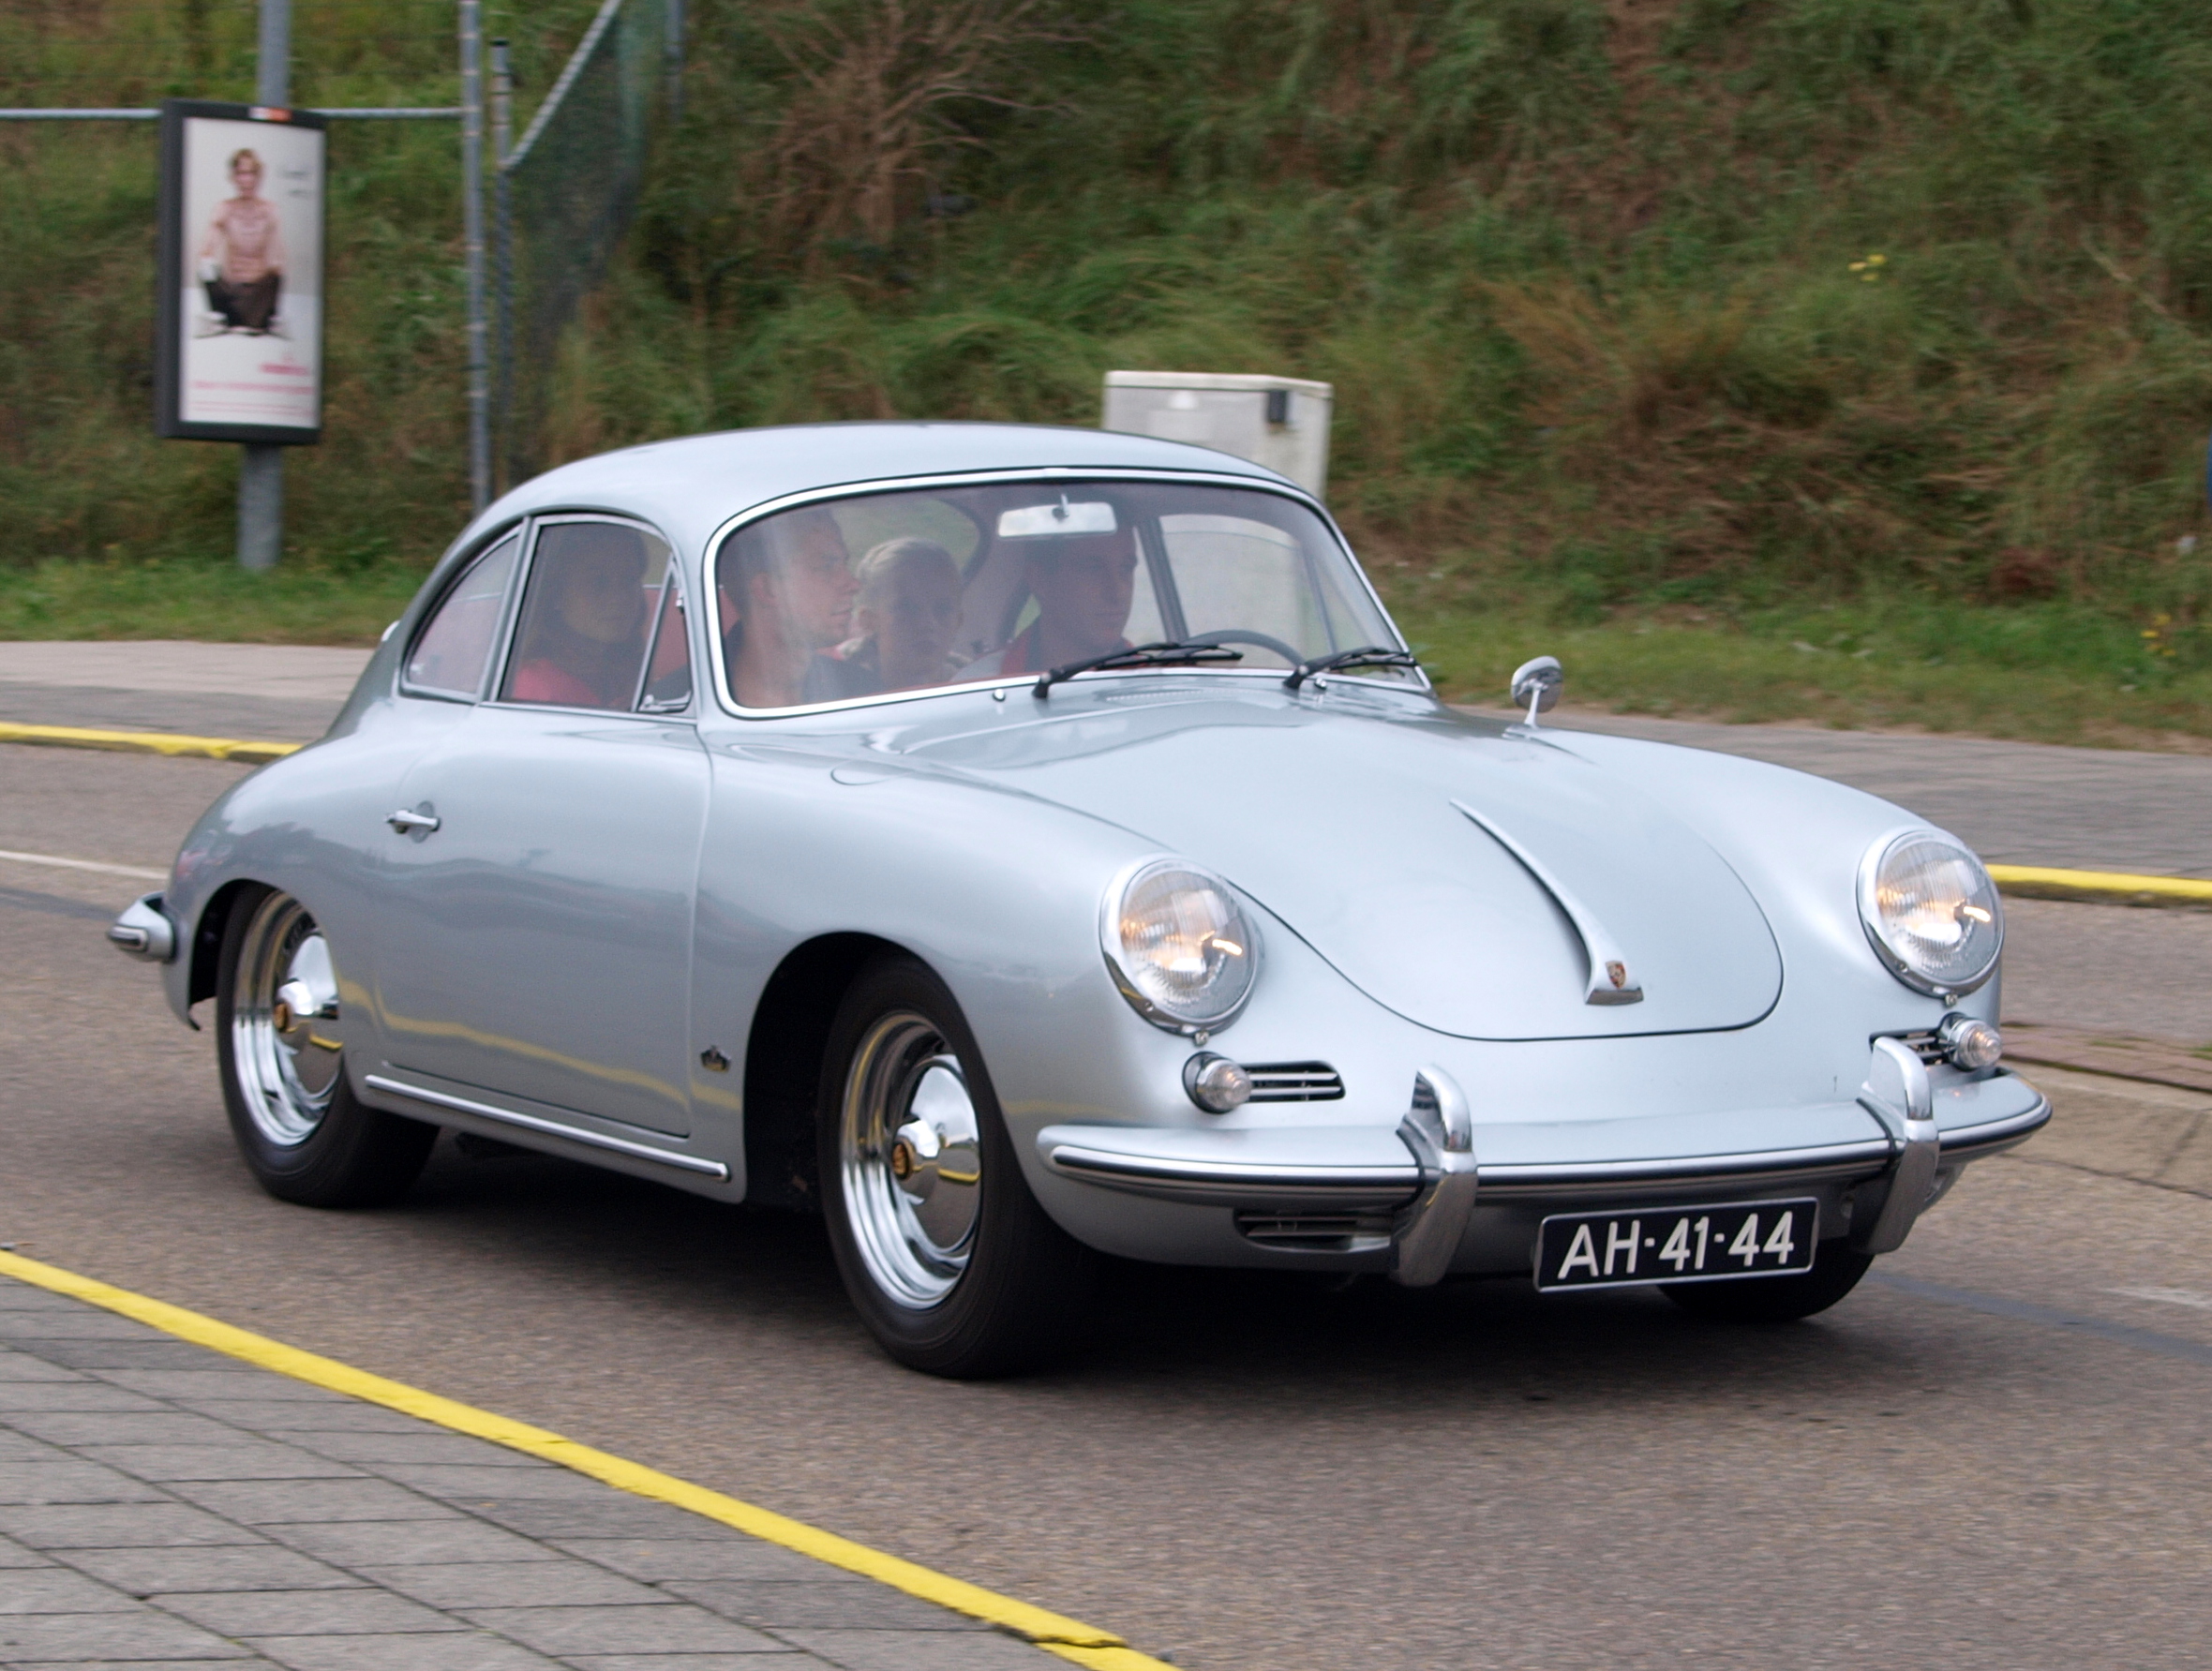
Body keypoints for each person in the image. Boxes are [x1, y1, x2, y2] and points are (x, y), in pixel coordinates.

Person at [722, 508, 860, 709]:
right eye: (826, 567)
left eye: (844, 564)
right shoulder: (684, 706)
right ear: (768, 589)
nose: (854, 585)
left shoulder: (861, 689)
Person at [964, 526, 1139, 677]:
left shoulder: (1152, 679)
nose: (1118, 593)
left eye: (1126, 568)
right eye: (1093, 569)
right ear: (1039, 579)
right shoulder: (979, 686)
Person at [508, 530, 651, 709]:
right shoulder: (535, 689)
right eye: (598, 582)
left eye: (629, 579)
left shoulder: (627, 668)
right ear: (556, 594)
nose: (619, 597)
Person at [822, 538, 964, 696]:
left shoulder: (972, 685)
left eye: (943, 609)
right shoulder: (832, 687)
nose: (927, 623)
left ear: (958, 621)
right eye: (907, 609)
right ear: (868, 621)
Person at [198, 148, 287, 334]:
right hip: (231, 293)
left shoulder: (270, 210)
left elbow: (278, 254)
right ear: (233, 177)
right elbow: (207, 248)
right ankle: (219, 317)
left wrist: (276, 266)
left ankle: (266, 319)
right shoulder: (224, 209)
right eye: (241, 173)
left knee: (276, 274)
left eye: (252, 173)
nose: (247, 180)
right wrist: (207, 257)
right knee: (205, 266)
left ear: (259, 177)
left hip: (258, 294)